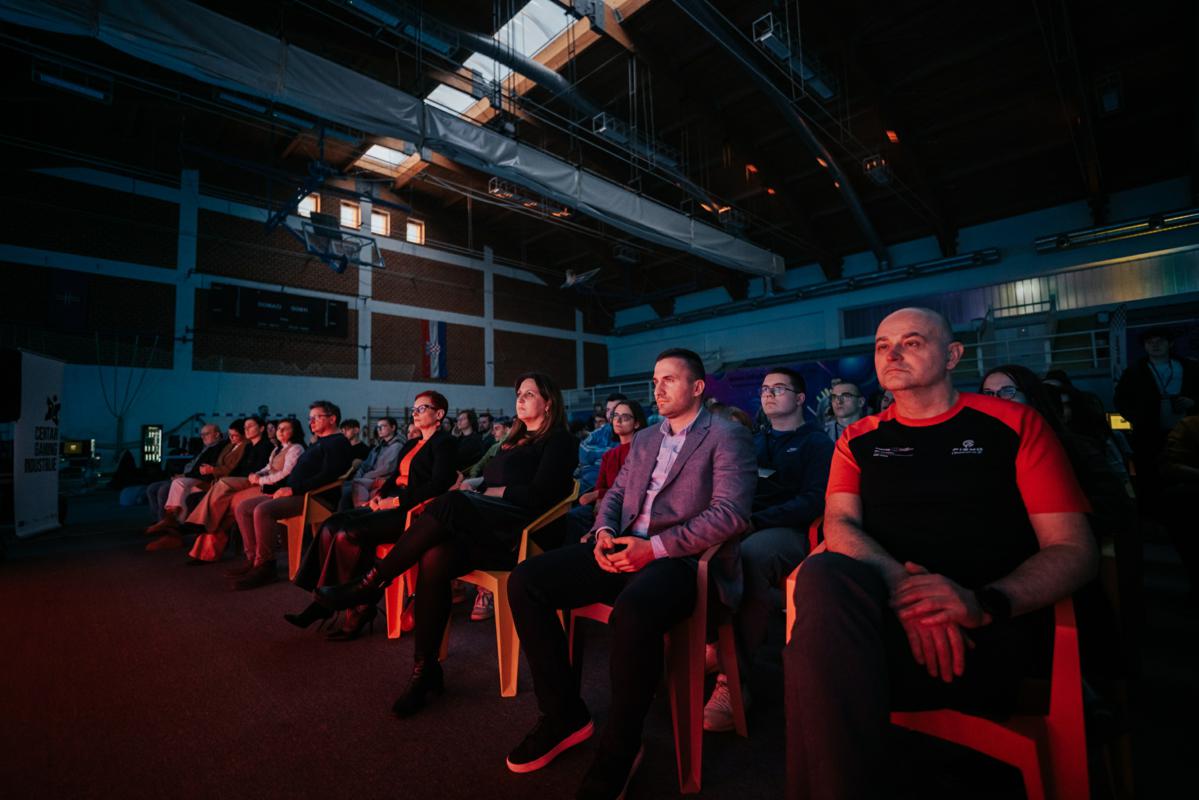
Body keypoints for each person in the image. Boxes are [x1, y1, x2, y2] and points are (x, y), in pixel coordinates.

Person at [784, 308, 1097, 799]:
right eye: (882, 346)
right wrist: (902, 587)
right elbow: (838, 523)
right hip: (882, 631)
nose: (892, 354)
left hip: (986, 630)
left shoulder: (1014, 424)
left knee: (819, 674)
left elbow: (1075, 548)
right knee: (823, 574)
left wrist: (981, 604)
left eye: (911, 342)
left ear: (953, 356)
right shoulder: (858, 439)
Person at [503, 349, 755, 800]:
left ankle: (622, 745)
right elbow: (616, 495)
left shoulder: (726, 435)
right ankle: (564, 715)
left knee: (633, 611)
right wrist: (603, 531)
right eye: (655, 380)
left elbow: (730, 514)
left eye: (669, 379)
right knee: (525, 580)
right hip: (622, 546)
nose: (658, 388)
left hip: (680, 560)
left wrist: (653, 548)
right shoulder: (645, 438)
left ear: (698, 387)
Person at [317, 373, 578, 712]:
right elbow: (494, 479)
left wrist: (485, 491)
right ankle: (424, 670)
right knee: (434, 556)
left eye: (529, 394)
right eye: (518, 393)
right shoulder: (513, 440)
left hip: (522, 536)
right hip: (491, 527)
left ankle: (373, 581)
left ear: (549, 402)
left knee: (450, 502)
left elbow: (540, 495)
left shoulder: (559, 441)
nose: (520, 398)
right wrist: (475, 483)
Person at [704, 368, 834, 732]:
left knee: (749, 559)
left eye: (778, 389)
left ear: (801, 398)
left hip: (792, 531)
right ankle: (713, 643)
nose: (768, 394)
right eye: (764, 389)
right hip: (744, 525)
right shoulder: (753, 440)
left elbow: (814, 501)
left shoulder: (817, 443)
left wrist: (757, 521)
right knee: (693, 550)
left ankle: (733, 681)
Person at [286, 393, 457, 638]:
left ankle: (348, 607)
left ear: (439, 414)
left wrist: (395, 501)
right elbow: (394, 477)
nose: (415, 413)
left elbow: (439, 484)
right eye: (414, 409)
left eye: (422, 408)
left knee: (348, 532)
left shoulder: (445, 443)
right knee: (332, 523)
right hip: (392, 502)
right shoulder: (411, 444)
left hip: (414, 510)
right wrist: (380, 496)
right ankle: (327, 599)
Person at [226, 401, 354, 590]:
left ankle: (266, 567)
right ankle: (253, 559)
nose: (311, 422)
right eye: (310, 418)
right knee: (244, 507)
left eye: (316, 417)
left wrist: (294, 490)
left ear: (332, 419)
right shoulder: (318, 442)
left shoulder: (338, 442)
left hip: (314, 497)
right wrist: (279, 488)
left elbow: (329, 474)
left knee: (263, 510)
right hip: (297, 493)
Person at [187, 418, 304, 564]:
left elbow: (286, 473)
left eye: (284, 429)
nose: (279, 431)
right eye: (278, 428)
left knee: (230, 500)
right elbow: (266, 468)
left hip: (271, 486)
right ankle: (210, 546)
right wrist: (257, 475)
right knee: (225, 501)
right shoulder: (275, 449)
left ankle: (212, 542)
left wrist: (260, 479)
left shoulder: (293, 448)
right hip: (257, 482)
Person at [1115, 326, 1199, 507]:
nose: (1155, 345)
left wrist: (1193, 402)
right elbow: (1121, 400)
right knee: (1150, 474)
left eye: (1160, 341)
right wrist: (1138, 419)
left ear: (1170, 344)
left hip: (1188, 430)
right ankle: (1153, 509)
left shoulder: (1189, 367)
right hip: (1149, 432)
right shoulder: (1134, 371)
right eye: (1150, 342)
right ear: (1144, 346)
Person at [176, 415, 273, 556]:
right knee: (214, 504)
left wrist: (220, 473)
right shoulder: (249, 447)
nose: (246, 429)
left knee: (220, 494)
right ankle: (203, 548)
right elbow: (238, 469)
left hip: (252, 482)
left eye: (250, 426)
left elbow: (260, 470)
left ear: (262, 428)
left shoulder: (266, 446)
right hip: (240, 481)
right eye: (245, 427)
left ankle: (198, 527)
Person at [146, 420, 250, 549]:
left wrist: (211, 470)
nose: (203, 437)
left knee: (176, 487)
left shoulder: (235, 446)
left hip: (212, 479)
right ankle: (172, 528)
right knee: (176, 492)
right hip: (208, 478)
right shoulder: (227, 446)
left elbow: (229, 468)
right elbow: (212, 464)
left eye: (206, 434)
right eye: (229, 435)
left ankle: (173, 526)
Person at [562, 401, 648, 543]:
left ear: (637, 423)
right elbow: (600, 484)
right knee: (573, 516)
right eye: (615, 416)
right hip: (607, 505)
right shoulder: (609, 455)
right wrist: (599, 499)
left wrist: (598, 495)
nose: (618, 421)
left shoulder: (642, 451)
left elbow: (632, 488)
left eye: (625, 417)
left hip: (629, 507)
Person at [144, 424, 223, 532]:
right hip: (187, 476)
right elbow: (192, 464)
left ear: (217, 434)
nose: (203, 437)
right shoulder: (204, 448)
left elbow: (203, 470)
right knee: (152, 488)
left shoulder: (218, 448)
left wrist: (184, 475)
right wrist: (180, 473)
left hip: (195, 478)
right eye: (201, 434)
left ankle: (168, 521)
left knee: (164, 489)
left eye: (206, 434)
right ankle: (158, 519)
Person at [340, 417, 403, 510]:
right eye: (378, 427)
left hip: (383, 478)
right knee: (345, 485)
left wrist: (365, 476)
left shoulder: (397, 446)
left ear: (393, 427)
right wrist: (359, 475)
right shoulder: (378, 447)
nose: (379, 429)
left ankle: (361, 510)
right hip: (371, 477)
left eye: (383, 426)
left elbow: (386, 468)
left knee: (354, 485)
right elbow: (365, 465)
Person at [575, 393, 628, 493]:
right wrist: (608, 452)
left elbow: (621, 455)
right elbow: (583, 450)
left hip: (604, 487)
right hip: (583, 479)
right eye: (608, 410)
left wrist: (597, 454)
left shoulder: (634, 434)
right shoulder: (602, 431)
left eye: (615, 409)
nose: (610, 413)